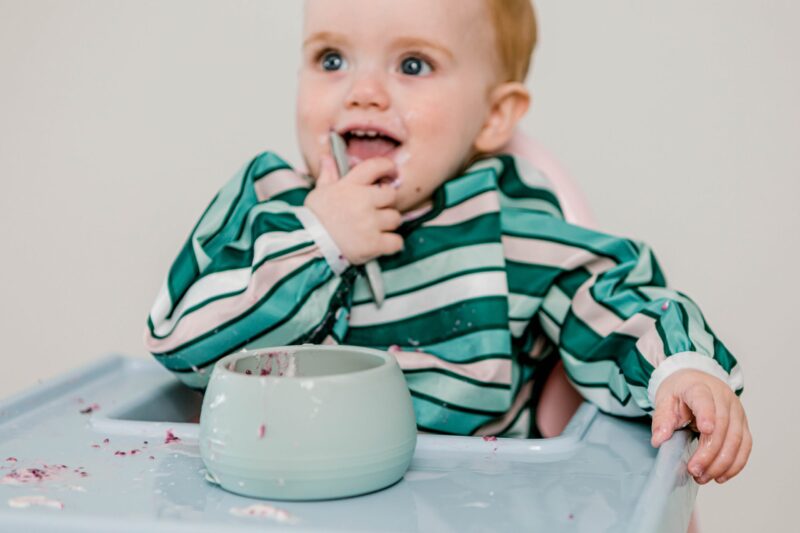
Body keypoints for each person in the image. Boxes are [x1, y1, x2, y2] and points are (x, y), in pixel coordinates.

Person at [145, 0, 751, 485]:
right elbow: (180, 344)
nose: (363, 92)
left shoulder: (504, 226)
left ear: (493, 117)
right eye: (331, 59)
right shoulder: (267, 208)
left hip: (469, 507)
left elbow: (611, 292)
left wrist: (680, 368)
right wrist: (319, 238)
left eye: (412, 65)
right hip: (276, 499)